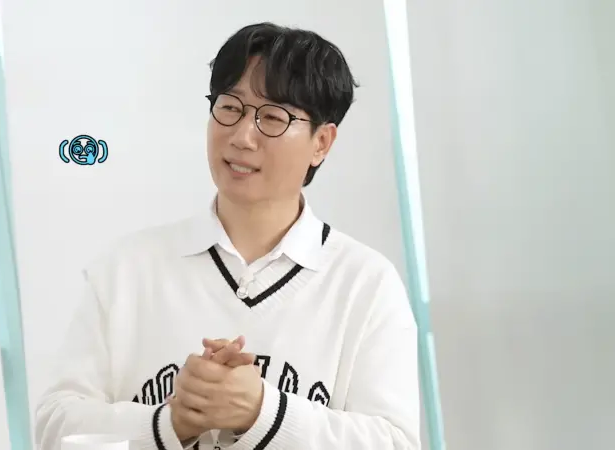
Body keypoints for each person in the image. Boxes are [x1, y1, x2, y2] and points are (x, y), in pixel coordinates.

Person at [35, 22, 420, 450]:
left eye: (272, 117)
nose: (242, 136)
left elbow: (395, 442)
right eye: (230, 107)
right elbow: (54, 430)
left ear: (322, 143)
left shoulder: (366, 284)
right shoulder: (125, 270)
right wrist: (170, 422)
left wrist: (263, 413)